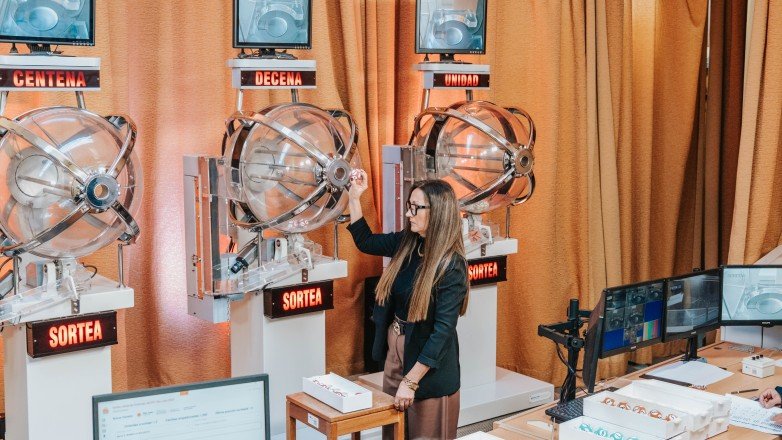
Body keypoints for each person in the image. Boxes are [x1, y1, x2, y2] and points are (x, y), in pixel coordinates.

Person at [346, 170, 469, 440]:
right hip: (397, 350)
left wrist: (411, 381)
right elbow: (365, 241)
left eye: (415, 207)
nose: (408, 213)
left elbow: (442, 332)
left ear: (437, 213)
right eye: (408, 206)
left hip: (428, 364)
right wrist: (354, 197)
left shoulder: (452, 266)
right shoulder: (408, 242)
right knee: (394, 433)